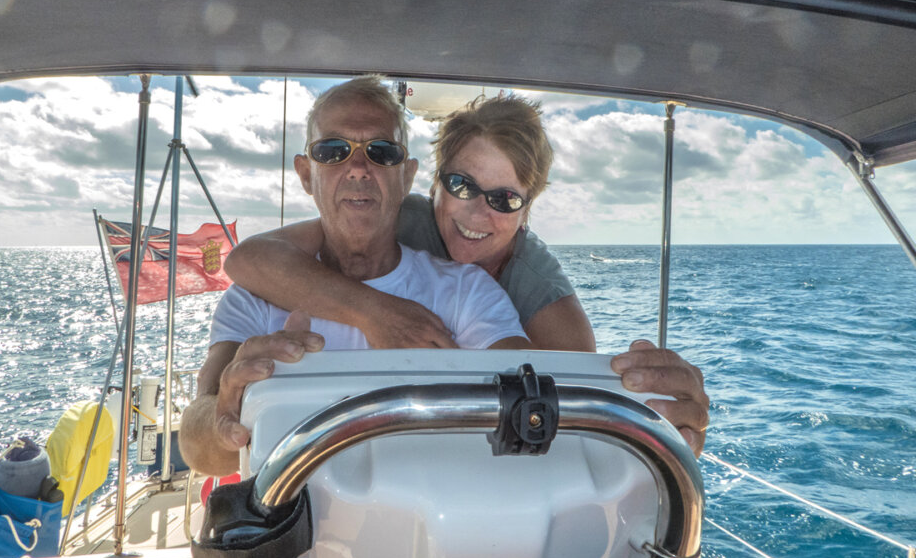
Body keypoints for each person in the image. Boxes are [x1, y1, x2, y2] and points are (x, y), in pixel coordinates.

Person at [223, 87, 708, 456]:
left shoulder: (540, 294)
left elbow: (567, 423)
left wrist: (658, 418)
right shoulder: (394, 211)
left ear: (527, 210)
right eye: (461, 185)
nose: (477, 214)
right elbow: (249, 261)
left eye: (504, 199)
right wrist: (377, 313)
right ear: (430, 184)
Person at [179, 77, 530, 476]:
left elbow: (530, 398)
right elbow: (197, 447)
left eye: (381, 152)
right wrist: (226, 414)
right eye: (332, 151)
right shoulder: (253, 299)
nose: (358, 168)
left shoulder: (467, 292)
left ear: (407, 176)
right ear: (306, 174)